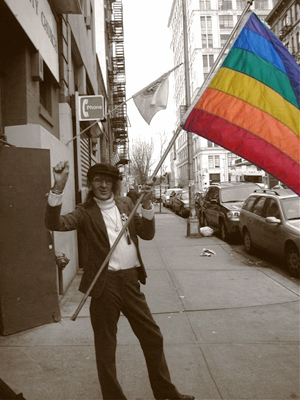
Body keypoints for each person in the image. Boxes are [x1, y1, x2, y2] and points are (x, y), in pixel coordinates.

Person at [45, 161, 195, 400]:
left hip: (131, 282)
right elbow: (54, 224)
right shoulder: (84, 212)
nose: (103, 185)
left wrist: (146, 204)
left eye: (108, 180)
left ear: (115, 183)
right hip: (105, 286)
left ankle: (165, 392)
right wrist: (58, 187)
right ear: (90, 184)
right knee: (106, 347)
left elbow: (147, 234)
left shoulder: (126, 204)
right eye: (97, 180)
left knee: (152, 336)